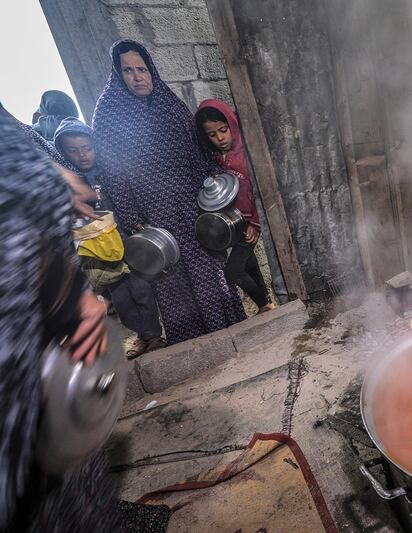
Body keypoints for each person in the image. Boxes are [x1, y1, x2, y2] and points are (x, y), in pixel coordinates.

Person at [0, 109, 121, 531]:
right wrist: (71, 296)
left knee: (61, 469)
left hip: (41, 329)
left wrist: (50, 173)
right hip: (22, 328)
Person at [92, 40, 246, 344]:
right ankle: (192, 342)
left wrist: (213, 185)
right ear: (117, 74)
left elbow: (197, 151)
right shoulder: (108, 115)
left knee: (208, 270)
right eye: (128, 70)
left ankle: (226, 328)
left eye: (143, 69)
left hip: (192, 205)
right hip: (152, 213)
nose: (138, 77)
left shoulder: (168, 102)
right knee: (171, 279)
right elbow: (112, 175)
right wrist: (133, 218)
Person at [54, 118, 166, 357]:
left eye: (87, 148)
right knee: (120, 295)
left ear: (96, 146)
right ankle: (141, 336)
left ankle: (154, 334)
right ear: (63, 152)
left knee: (140, 289)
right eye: (73, 151)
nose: (82, 155)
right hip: (98, 249)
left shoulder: (110, 173)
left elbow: (129, 201)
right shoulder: (69, 184)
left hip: (126, 241)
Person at [194, 99, 278, 314]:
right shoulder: (215, 158)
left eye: (223, 130)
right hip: (234, 222)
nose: (220, 138)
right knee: (250, 264)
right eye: (212, 135)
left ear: (232, 124)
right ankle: (265, 305)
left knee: (233, 272)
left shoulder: (246, 155)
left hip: (251, 222)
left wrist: (256, 224)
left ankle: (264, 302)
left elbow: (261, 191)